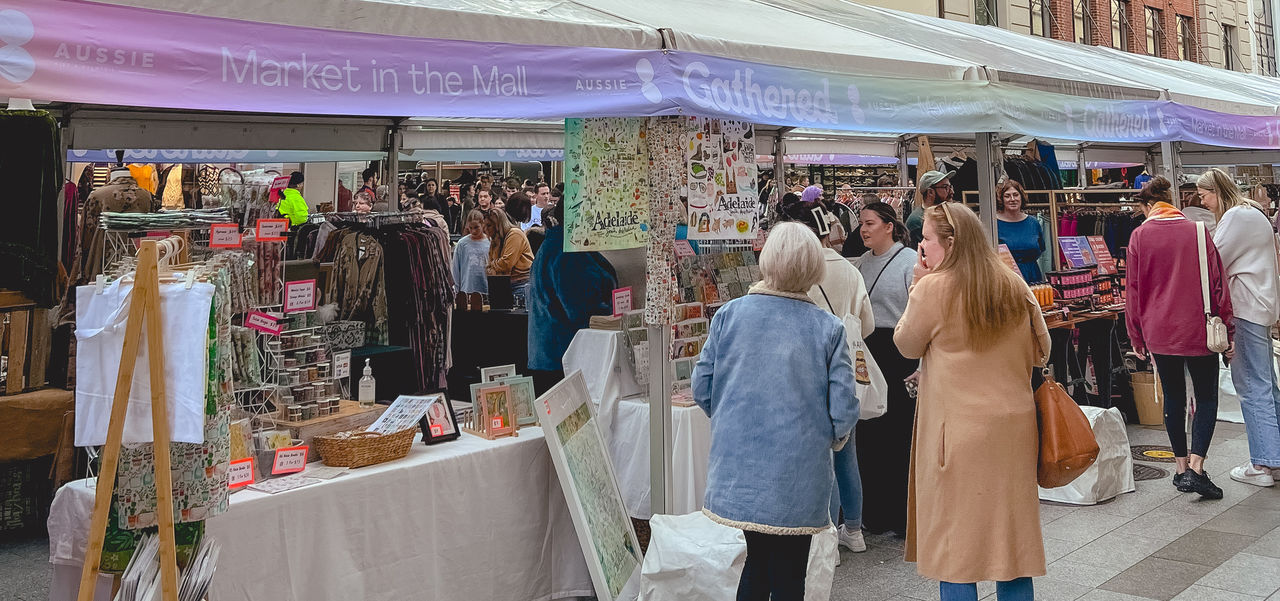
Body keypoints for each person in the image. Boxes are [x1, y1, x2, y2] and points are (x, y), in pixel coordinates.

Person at [691, 222, 858, 601]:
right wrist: (831, 436)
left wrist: (735, 421)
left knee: (757, 561)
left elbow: (702, 386)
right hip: (798, 472)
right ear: (814, 267)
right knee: (789, 571)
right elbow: (844, 407)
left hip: (741, 469)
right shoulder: (827, 328)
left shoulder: (729, 315)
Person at [894, 203, 1050, 601]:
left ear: (950, 242)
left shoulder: (933, 287)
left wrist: (917, 287)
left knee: (956, 549)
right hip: (1014, 429)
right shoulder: (1012, 283)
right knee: (1012, 547)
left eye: (926, 239)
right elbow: (1042, 350)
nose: (922, 247)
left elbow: (906, 344)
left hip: (956, 433)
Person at [1126, 175, 1233, 499]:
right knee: (1206, 397)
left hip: (1159, 330)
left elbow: (1133, 290)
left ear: (1148, 206)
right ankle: (1198, 469)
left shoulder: (1140, 236)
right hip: (1197, 328)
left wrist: (1136, 335)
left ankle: (1181, 467)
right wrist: (1227, 329)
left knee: (1173, 396)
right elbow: (1218, 286)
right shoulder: (1199, 232)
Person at [782, 200, 874, 556]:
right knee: (846, 454)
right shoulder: (850, 270)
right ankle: (855, 529)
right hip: (847, 369)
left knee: (822, 458)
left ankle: (828, 539)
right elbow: (865, 324)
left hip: (807, 373)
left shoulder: (794, 270)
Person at [1199, 168, 1280, 487]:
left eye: (1204, 195)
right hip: (1262, 306)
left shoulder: (1235, 217)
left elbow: (1213, 261)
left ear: (1217, 191)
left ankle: (1263, 463)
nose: (1203, 202)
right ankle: (1273, 457)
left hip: (1245, 308)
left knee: (1251, 385)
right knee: (1266, 383)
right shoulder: (1255, 213)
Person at [849, 201, 917, 537]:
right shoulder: (860, 264)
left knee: (900, 434)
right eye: (861, 223)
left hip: (900, 350)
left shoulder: (910, 261)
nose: (863, 229)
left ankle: (903, 515)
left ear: (889, 225)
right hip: (869, 350)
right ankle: (874, 512)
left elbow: (917, 312)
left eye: (870, 223)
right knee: (871, 432)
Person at [527, 200, 618, 395]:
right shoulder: (568, 252)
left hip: (552, 353)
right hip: (563, 356)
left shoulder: (556, 245)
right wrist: (612, 312)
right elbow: (581, 308)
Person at [995, 179, 1045, 283]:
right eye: (1007, 196)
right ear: (1001, 199)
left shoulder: (1033, 223)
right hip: (1006, 278)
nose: (1012, 199)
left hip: (1033, 277)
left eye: (1015, 195)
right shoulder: (993, 224)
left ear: (1021, 197)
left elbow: (1041, 249)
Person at [485, 209, 535, 305]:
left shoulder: (515, 234)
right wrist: (493, 266)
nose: (485, 229)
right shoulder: (495, 240)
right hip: (503, 285)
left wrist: (493, 265)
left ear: (498, 225)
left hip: (521, 286)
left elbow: (506, 263)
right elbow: (489, 269)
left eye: (489, 225)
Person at [906, 170, 955, 248]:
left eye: (950, 187)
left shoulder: (946, 214)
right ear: (930, 192)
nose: (952, 192)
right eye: (945, 187)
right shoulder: (917, 221)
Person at [452, 209, 490, 296]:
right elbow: (456, 269)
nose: (473, 231)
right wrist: (457, 291)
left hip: (486, 288)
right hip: (467, 289)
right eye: (470, 228)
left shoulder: (489, 242)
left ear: (482, 224)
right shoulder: (462, 243)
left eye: (476, 227)